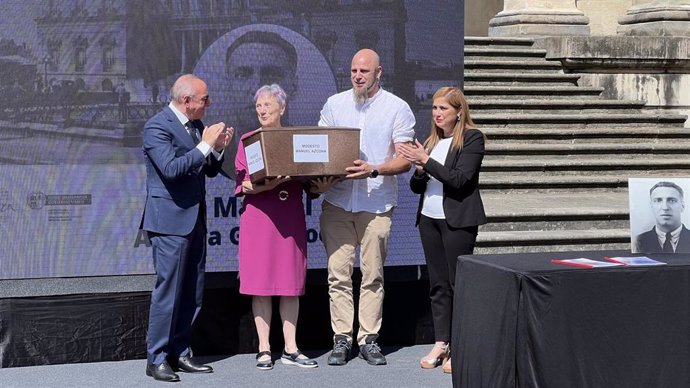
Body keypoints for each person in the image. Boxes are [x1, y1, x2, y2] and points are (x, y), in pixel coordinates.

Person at [318, 48, 416, 366]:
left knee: (372, 275)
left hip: (376, 203)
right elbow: (320, 149)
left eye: (364, 71)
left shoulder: (397, 108)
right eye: (353, 71)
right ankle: (342, 339)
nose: (358, 76)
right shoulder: (334, 105)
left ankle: (369, 339)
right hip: (337, 202)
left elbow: (405, 159)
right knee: (338, 275)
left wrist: (374, 168)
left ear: (378, 73)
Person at [141, 74, 233, 382]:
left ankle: (180, 352)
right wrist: (205, 144)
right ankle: (156, 358)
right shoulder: (157, 126)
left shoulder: (194, 127)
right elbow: (170, 169)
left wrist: (217, 149)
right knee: (169, 291)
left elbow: (207, 171)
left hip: (195, 220)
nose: (208, 104)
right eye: (205, 99)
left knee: (192, 291)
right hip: (169, 222)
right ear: (186, 101)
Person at [235, 84, 333, 370]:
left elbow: (311, 182)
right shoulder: (248, 140)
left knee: (290, 286)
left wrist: (320, 186)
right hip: (259, 219)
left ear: (282, 108)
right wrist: (272, 183)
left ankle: (291, 348)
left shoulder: (297, 140)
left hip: (290, 219)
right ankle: (264, 348)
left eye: (267, 105)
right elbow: (242, 184)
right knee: (261, 286)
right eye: (258, 106)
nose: (262, 110)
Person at [398, 86, 487, 374]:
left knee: (456, 284)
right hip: (429, 219)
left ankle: (460, 346)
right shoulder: (431, 142)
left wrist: (426, 162)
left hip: (457, 221)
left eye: (443, 109)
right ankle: (441, 342)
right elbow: (415, 186)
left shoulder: (472, 139)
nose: (437, 114)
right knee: (437, 285)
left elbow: (460, 180)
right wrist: (421, 170)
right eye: (435, 109)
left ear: (459, 112)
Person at [225, 31, 298, 138]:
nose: (256, 90)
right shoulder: (214, 151)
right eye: (242, 75)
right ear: (228, 86)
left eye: (272, 75)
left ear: (293, 86)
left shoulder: (308, 150)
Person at [634, 181, 690, 253]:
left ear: (682, 206)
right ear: (652, 206)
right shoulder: (637, 241)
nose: (665, 207)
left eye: (672, 200)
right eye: (658, 200)